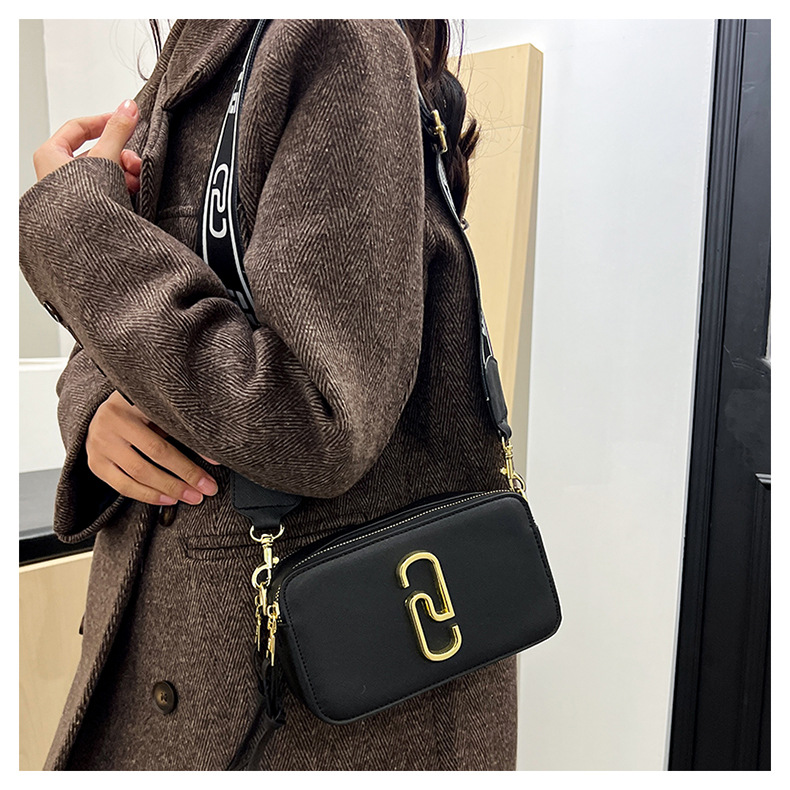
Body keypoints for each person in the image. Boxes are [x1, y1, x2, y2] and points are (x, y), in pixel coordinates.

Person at [19, 19, 517, 770]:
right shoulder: (191, 68)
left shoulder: (336, 38)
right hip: (202, 663)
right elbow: (134, 329)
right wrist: (92, 404)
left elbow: (316, 418)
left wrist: (74, 227)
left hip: (297, 714)